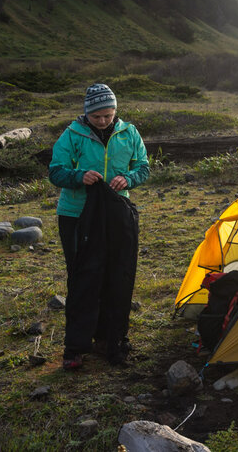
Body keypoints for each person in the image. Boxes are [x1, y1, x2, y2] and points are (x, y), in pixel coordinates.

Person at [48, 83, 150, 370]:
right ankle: (77, 347)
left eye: (108, 115)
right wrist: (79, 176)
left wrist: (128, 179)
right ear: (87, 115)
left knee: (116, 274)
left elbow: (143, 167)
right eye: (97, 117)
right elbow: (56, 171)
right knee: (83, 276)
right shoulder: (72, 135)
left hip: (117, 213)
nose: (103, 121)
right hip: (76, 215)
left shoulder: (129, 133)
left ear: (115, 111)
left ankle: (109, 338)